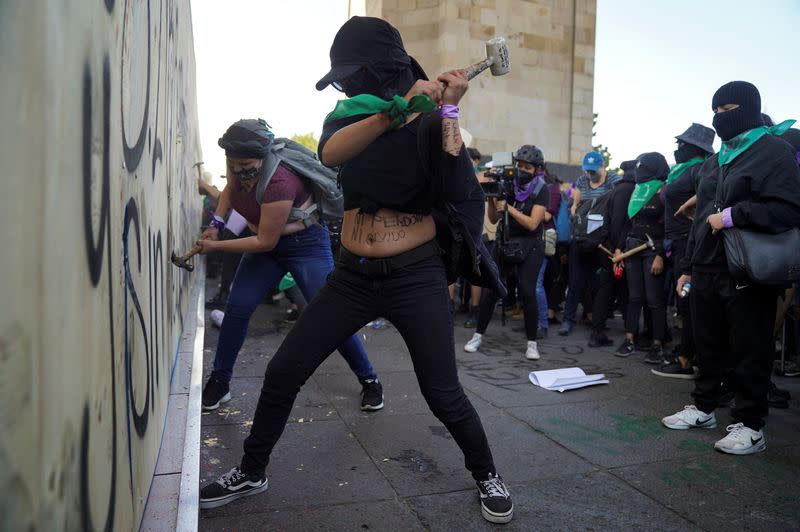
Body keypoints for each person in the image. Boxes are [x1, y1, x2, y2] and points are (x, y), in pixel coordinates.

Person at [200, 17, 513, 523]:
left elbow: (457, 178)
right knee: (284, 371)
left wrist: (449, 108)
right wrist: (397, 109)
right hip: (352, 276)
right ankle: (252, 469)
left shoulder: (435, 120)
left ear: (376, 69)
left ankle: (487, 474)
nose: (346, 84)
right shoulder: (352, 117)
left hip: (414, 276)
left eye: (352, 73)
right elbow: (330, 152)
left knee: (442, 393)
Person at [196, 118, 383, 413]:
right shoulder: (238, 166)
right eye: (233, 164)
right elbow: (231, 190)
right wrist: (216, 225)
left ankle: (370, 379)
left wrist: (215, 246)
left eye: (245, 165)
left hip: (303, 245)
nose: (238, 170)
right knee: (237, 308)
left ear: (262, 157)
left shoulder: (279, 180)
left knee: (330, 316)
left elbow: (264, 241)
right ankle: (220, 381)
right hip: (268, 243)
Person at [662, 81, 800, 455]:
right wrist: (688, 267)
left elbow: (789, 209)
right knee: (707, 342)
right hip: (706, 266)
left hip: (747, 268)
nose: (721, 117)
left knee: (749, 346)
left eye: (729, 109)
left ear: (750, 108)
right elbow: (700, 218)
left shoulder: (775, 152)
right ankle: (704, 407)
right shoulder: (715, 160)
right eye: (717, 111)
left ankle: (751, 424)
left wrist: (735, 215)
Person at [464, 145, 550, 360]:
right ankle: (477, 335)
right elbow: (493, 219)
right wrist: (493, 200)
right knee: (491, 289)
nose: (521, 170)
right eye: (519, 165)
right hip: (505, 241)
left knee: (527, 291)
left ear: (537, 169)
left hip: (531, 245)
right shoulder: (507, 184)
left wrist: (509, 208)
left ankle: (532, 343)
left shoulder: (542, 189)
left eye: (527, 167)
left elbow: (532, 224)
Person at [651, 123, 714, 378]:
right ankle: (688, 352)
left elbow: (708, 200)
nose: (678, 148)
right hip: (676, 244)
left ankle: (686, 358)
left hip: (690, 243)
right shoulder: (682, 171)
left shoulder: (700, 169)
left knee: (688, 301)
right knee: (685, 301)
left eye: (682, 144)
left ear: (694, 148)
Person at [614, 153, 670, 363]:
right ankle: (629, 339)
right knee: (634, 297)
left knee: (654, 299)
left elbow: (668, 227)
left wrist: (661, 256)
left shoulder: (664, 190)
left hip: (652, 250)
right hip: (631, 248)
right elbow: (629, 224)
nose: (639, 170)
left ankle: (657, 344)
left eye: (644, 166)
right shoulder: (637, 190)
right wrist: (619, 249)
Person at [559, 151, 621, 335]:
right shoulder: (580, 181)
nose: (590, 174)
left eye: (594, 170)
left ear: (603, 166)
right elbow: (573, 208)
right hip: (582, 238)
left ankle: (597, 320)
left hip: (603, 241)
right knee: (575, 281)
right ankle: (568, 320)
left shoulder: (614, 181)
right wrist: (574, 208)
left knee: (602, 283)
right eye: (587, 170)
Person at [588, 160, 636, 347]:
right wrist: (618, 249)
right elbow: (618, 222)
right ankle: (624, 333)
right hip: (616, 250)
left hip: (608, 246)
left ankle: (598, 332)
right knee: (618, 290)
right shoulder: (628, 191)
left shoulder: (616, 189)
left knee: (607, 290)